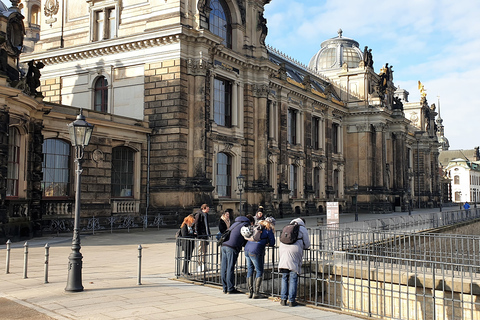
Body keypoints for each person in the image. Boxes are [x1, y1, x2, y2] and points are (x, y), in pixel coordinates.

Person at [278, 217, 311, 307]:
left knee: (284, 276)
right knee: (293, 276)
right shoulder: (302, 228)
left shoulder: (287, 226)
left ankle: (283, 299)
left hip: (283, 249)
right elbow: (307, 244)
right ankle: (292, 301)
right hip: (294, 251)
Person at [244, 216, 276, 299]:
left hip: (247, 249)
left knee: (250, 270)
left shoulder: (255, 226)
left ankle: (250, 292)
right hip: (256, 250)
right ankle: (256, 292)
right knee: (259, 271)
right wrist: (268, 243)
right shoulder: (268, 229)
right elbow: (272, 241)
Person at [220, 215, 251, 294]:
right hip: (232, 247)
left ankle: (224, 288)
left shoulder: (235, 223)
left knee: (224, 267)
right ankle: (230, 288)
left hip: (224, 245)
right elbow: (246, 236)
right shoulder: (245, 225)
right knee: (230, 267)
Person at [194, 204, 211, 272]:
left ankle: (204, 264)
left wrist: (208, 233)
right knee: (200, 251)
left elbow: (207, 225)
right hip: (201, 236)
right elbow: (196, 224)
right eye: (207, 208)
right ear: (204, 208)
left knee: (205, 251)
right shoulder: (199, 214)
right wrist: (198, 234)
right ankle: (200, 265)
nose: (208, 210)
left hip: (205, 235)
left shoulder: (206, 215)